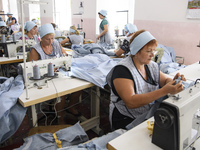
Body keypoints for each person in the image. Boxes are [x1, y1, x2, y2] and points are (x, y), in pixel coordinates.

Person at [106, 29, 185, 130]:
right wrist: (164, 91)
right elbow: (131, 102)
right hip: (126, 118)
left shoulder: (151, 66)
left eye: (153, 50)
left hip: (146, 115)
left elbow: (165, 80)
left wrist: (174, 82)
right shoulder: (122, 70)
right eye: (148, 51)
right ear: (136, 52)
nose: (152, 55)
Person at [29, 24, 81, 123]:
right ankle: (60, 117)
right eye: (47, 39)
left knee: (78, 86)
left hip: (59, 73)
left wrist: (63, 60)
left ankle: (70, 107)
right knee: (60, 94)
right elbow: (32, 70)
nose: (51, 41)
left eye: (52, 38)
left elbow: (64, 55)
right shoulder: (35, 50)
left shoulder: (56, 43)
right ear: (41, 38)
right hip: (44, 78)